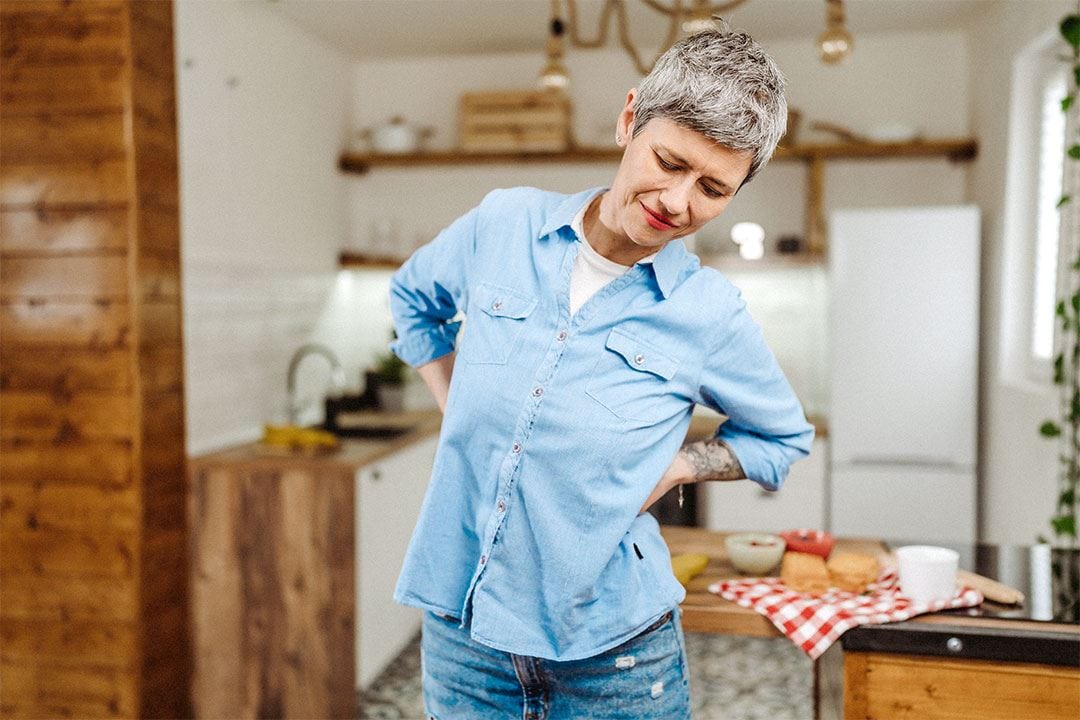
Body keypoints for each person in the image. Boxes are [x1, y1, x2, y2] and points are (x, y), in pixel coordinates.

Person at [386, 20, 813, 720]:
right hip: (464, 637)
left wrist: (680, 467)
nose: (678, 202)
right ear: (628, 121)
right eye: (670, 163)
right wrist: (453, 394)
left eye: (712, 187)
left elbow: (782, 438)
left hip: (615, 659)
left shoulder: (709, 312)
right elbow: (413, 301)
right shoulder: (504, 225)